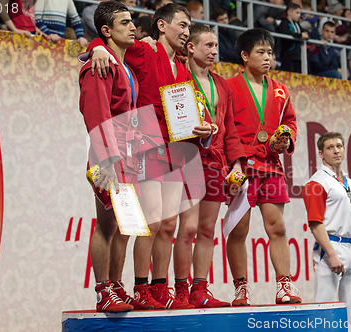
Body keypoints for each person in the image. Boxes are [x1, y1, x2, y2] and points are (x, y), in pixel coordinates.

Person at [84, 3, 213, 310]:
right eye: (181, 25)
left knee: (150, 223)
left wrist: (200, 129)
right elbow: (98, 109)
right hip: (131, 150)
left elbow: (180, 113)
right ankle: (127, 289)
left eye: (188, 26)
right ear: (162, 26)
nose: (185, 31)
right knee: (135, 223)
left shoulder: (180, 67)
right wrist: (95, 48)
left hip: (157, 148)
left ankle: (134, 288)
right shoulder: (141, 51)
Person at [226, 28, 301, 306]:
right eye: (261, 52)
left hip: (271, 166)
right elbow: (226, 127)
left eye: (270, 52)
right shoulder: (229, 87)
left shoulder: (281, 90)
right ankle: (241, 288)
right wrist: (232, 163)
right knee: (238, 230)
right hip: (242, 166)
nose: (267, 57)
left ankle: (284, 286)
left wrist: (286, 138)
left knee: (277, 227)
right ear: (245, 56)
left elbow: (290, 123)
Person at [173, 25, 246, 308]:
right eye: (208, 46)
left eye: (216, 46)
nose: (215, 51)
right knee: (188, 228)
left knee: (207, 229)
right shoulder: (178, 74)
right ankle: (180, 290)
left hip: (215, 161)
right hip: (187, 156)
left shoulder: (222, 84)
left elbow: (229, 128)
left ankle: (199, 290)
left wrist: (237, 163)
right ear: (190, 47)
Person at [79, 1, 139, 313]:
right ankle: (103, 291)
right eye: (125, 22)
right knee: (105, 225)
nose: (133, 27)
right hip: (108, 157)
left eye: (133, 21)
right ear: (106, 31)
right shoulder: (98, 65)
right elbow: (96, 115)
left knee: (120, 225)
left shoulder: (121, 64)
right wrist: (108, 160)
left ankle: (115, 285)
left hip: (126, 155)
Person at [302, 132, 351, 332]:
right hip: (331, 248)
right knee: (326, 309)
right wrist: (332, 254)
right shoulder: (316, 183)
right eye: (330, 147)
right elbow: (315, 223)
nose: (336, 150)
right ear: (321, 153)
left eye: (339, 146)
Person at [278, 3, 308, 73]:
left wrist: (305, 35)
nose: (299, 15)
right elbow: (285, 32)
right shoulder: (284, 22)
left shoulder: (297, 24)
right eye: (297, 13)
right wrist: (300, 35)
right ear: (289, 12)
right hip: (288, 56)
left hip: (298, 56)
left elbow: (304, 33)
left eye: (300, 13)